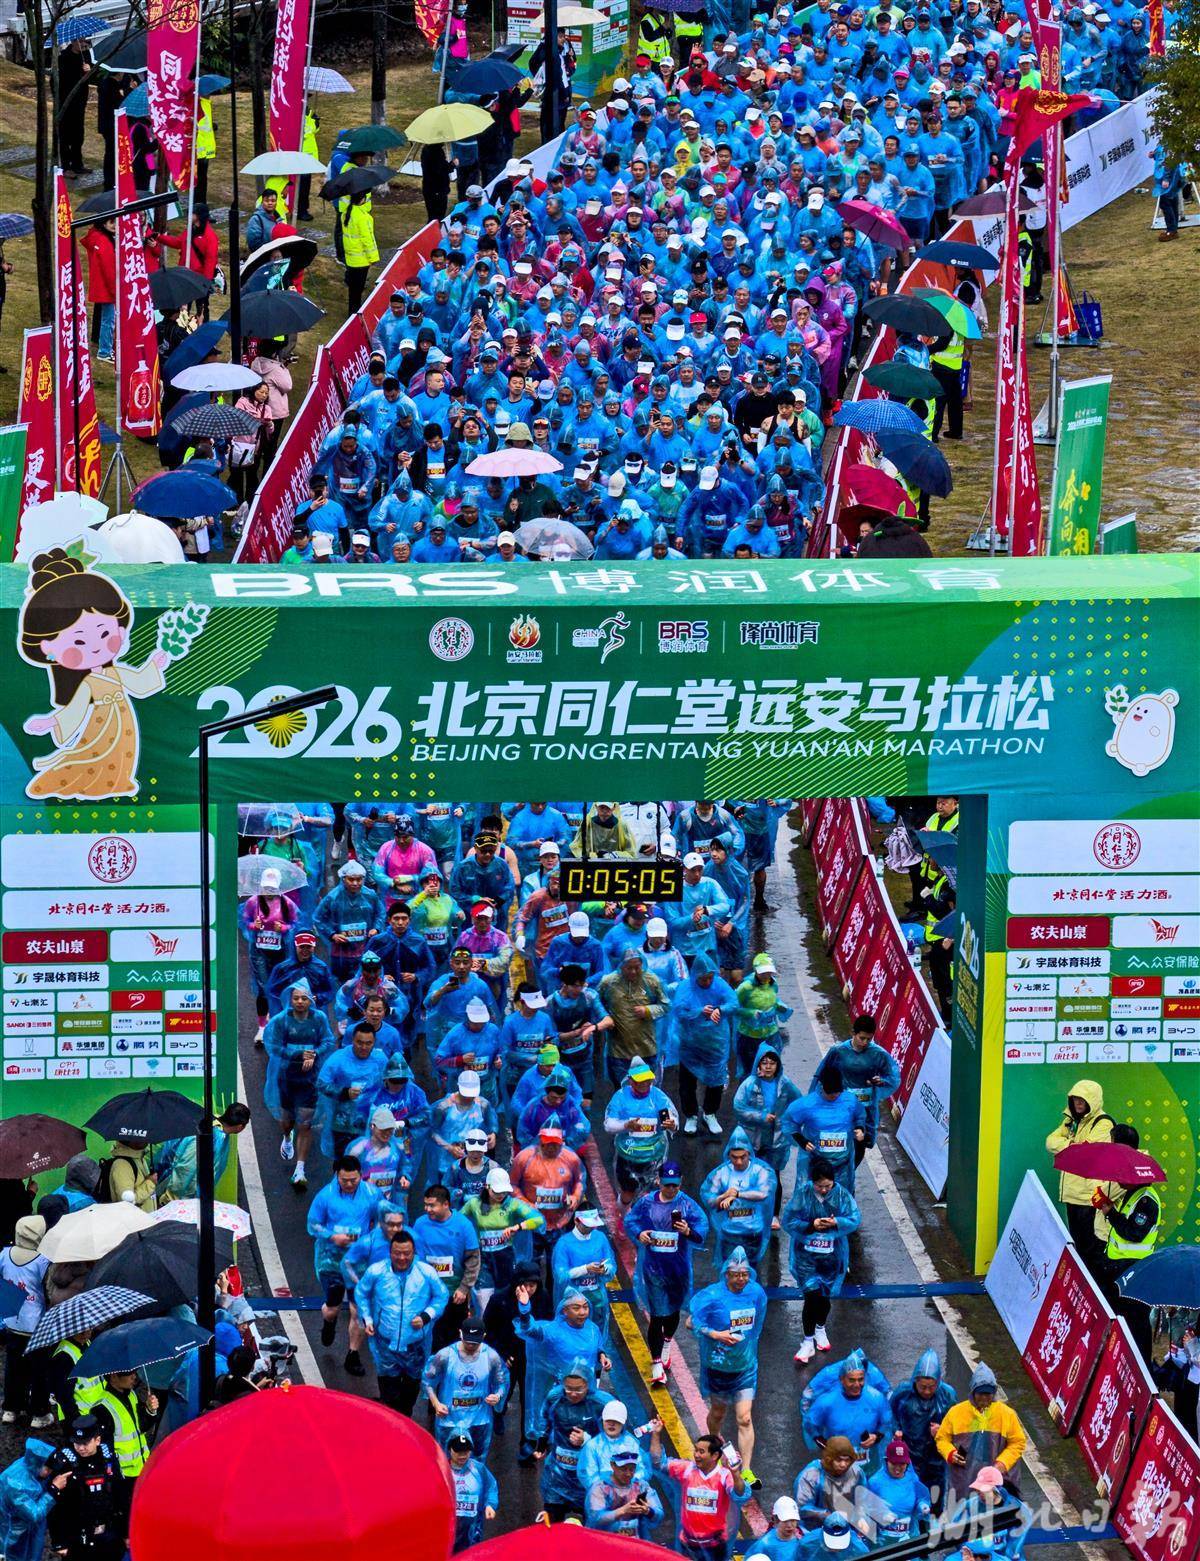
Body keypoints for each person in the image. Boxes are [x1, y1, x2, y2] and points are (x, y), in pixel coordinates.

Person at [625, 1159, 709, 1386]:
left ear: (681, 1182)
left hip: (677, 1269)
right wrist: (640, 1234)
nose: (671, 1189)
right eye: (667, 1184)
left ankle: (667, 1342)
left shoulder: (688, 1205)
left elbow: (701, 1232)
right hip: (653, 1268)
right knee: (656, 1315)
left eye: (675, 1185)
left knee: (672, 1313)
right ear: (658, 1181)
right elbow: (631, 1221)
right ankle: (656, 1364)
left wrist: (688, 1231)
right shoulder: (646, 1203)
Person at [691, 1246, 769, 1485]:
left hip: (745, 1367)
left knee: (744, 1418)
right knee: (718, 1413)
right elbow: (691, 1322)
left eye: (745, 1274)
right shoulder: (712, 1296)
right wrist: (716, 1334)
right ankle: (715, 1442)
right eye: (736, 1275)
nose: (741, 1279)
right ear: (726, 1274)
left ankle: (746, 1469)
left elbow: (757, 1327)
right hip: (718, 1367)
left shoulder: (756, 1293)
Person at [514, 1281, 608, 1461]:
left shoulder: (592, 1329)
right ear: (565, 1311)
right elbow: (529, 1330)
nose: (582, 1312)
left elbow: (598, 1347)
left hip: (587, 1392)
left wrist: (603, 1356)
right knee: (560, 1433)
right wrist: (525, 1309)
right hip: (564, 1393)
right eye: (576, 1308)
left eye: (585, 1307)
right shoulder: (552, 1331)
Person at [784, 1156, 861, 1364]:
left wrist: (836, 1222)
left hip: (831, 1257)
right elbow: (789, 1220)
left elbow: (854, 1218)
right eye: (820, 1186)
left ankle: (820, 1327)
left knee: (825, 1297)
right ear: (812, 1182)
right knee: (811, 1296)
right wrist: (811, 1225)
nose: (824, 1190)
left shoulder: (842, 1195)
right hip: (806, 1257)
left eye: (827, 1186)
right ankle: (807, 1341)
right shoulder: (803, 1194)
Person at [306, 1155, 381, 1363]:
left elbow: (381, 1219)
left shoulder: (372, 1194)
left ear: (361, 1175)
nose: (349, 1184)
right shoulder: (325, 1196)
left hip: (359, 1261)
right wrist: (332, 1236)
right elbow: (312, 1225)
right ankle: (329, 1321)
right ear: (336, 1176)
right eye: (344, 1180)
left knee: (359, 1308)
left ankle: (353, 1354)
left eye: (353, 1180)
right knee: (333, 1307)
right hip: (330, 1259)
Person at [263, 979, 336, 1189]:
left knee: (305, 1124)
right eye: (296, 998)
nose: (300, 1002)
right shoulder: (281, 1020)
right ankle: (287, 1136)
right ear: (290, 999)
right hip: (286, 1076)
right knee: (287, 1120)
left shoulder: (319, 1018)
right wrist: (297, 1055)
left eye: (304, 998)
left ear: (311, 999)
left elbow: (328, 1041)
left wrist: (315, 1053)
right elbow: (272, 1045)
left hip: (310, 1079)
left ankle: (300, 1169)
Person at [650, 1423, 749, 1561]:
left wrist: (735, 1473)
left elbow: (739, 1494)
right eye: (695, 1450)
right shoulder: (686, 1469)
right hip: (688, 1545)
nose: (696, 1455)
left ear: (715, 1455)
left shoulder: (724, 1476)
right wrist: (655, 1434)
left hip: (715, 1547)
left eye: (701, 1452)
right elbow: (658, 1463)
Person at [814, 1016, 901, 1165]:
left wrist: (881, 1081)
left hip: (865, 1107)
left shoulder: (878, 1054)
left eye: (869, 1039)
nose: (865, 1043)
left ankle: (848, 1174)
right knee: (838, 1141)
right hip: (841, 1105)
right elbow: (821, 1075)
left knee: (859, 1145)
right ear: (853, 1033)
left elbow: (893, 1077)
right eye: (862, 1038)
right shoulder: (838, 1051)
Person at [935, 1362, 1027, 1502]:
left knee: (1000, 1510)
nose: (984, 1398)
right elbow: (942, 1438)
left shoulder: (1006, 1414)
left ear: (993, 1393)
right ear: (973, 1392)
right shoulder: (956, 1413)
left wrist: (1001, 1464)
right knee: (964, 1511)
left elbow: (1018, 1442)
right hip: (964, 1479)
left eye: (988, 1394)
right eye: (980, 1394)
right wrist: (950, 1453)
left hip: (998, 1480)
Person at [533, 1361, 612, 1523]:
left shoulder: (601, 1404)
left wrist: (587, 1440)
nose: (573, 1394)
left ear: (588, 1385)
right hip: (558, 1475)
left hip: (587, 1478)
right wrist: (541, 1442)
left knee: (589, 1526)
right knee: (551, 1524)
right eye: (568, 1388)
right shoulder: (555, 1397)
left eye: (578, 1389)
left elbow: (615, 1438)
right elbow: (544, 1419)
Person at [1044, 1080, 1114, 1263]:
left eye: (1083, 1099)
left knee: (1091, 1247)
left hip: (1089, 1197)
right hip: (1072, 1195)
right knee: (1078, 1246)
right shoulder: (1071, 1121)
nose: (1078, 1103)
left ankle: (1094, 1281)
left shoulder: (1103, 1123)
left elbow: (1085, 1153)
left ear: (1094, 1100)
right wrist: (1073, 1145)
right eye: (1075, 1098)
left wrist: (1069, 1147)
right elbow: (1050, 1142)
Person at [422, 1318, 510, 1459]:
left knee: (477, 1460)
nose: (470, 1345)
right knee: (446, 1459)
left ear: (484, 1336)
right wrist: (436, 1403)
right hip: (449, 1418)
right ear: (460, 1334)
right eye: (467, 1341)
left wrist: (498, 1396)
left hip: (479, 1419)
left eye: (475, 1343)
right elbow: (428, 1381)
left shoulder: (491, 1356)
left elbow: (502, 1382)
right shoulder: (445, 1355)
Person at [673, 952, 737, 1135]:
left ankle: (710, 1113)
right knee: (687, 1082)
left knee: (716, 1079)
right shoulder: (685, 987)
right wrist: (699, 1011)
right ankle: (691, 1115)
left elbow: (733, 1002)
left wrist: (720, 1010)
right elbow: (679, 1011)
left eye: (710, 977)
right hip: (690, 1045)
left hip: (715, 1044)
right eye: (703, 979)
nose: (707, 982)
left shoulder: (719, 984)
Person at [603, 1056, 679, 1206]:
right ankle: (624, 1215)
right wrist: (626, 1125)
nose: (644, 1084)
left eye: (647, 1080)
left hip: (653, 1156)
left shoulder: (658, 1097)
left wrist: (672, 1125)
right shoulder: (620, 1098)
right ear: (631, 1081)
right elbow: (609, 1125)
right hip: (628, 1156)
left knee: (654, 1195)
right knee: (627, 1194)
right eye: (640, 1081)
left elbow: (669, 1119)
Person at [803, 1351, 894, 1475]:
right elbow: (810, 1424)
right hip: (836, 1467)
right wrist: (826, 1446)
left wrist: (876, 1437)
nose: (857, 1385)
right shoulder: (826, 1402)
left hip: (868, 1465)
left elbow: (887, 1423)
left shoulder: (876, 1398)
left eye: (860, 1379)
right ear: (842, 1379)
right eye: (852, 1380)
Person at [47, 1414, 122, 1561]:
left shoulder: (108, 1458)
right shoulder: (64, 1462)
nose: (81, 1448)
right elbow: (55, 1507)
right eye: (77, 1443)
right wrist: (59, 1542)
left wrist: (125, 1532)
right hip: (77, 1536)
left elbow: (120, 1493)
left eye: (85, 1443)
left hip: (108, 1533)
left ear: (97, 1440)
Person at [783, 1062, 866, 1194]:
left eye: (837, 1092)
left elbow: (860, 1116)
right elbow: (788, 1122)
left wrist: (860, 1128)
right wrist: (801, 1140)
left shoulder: (850, 1101)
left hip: (842, 1164)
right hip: (815, 1163)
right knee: (810, 1198)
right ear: (821, 1086)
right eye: (829, 1093)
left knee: (841, 1198)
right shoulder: (806, 1104)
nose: (834, 1096)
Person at [0, 1216, 52, 1427]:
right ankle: (39, 1413)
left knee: (13, 1366)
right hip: (35, 1324)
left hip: (12, 1320)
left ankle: (11, 1409)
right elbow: (47, 1289)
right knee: (39, 1370)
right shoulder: (42, 1260)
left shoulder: (4, 1254)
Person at [701, 1128, 777, 1265]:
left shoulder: (760, 1170)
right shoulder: (721, 1172)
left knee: (749, 1270)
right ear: (728, 1155)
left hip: (753, 1232)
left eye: (743, 1157)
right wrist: (723, 1196)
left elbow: (764, 1193)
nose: (739, 1162)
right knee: (729, 1270)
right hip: (729, 1232)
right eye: (734, 1157)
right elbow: (708, 1198)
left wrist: (737, 1194)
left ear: (749, 1153)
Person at [891, 1348, 957, 1504]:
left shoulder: (948, 1394)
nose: (927, 1391)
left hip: (936, 1456)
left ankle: (934, 1516)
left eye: (931, 1387)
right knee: (909, 1494)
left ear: (938, 1382)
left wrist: (942, 1431)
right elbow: (891, 1414)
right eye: (922, 1387)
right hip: (910, 1453)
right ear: (915, 1381)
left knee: (935, 1496)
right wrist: (896, 1430)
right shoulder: (903, 1392)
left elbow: (956, 1423)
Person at [155, 1102, 250, 1202]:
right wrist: (170, 1199)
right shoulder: (209, 1135)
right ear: (240, 1127)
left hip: (191, 1194)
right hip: (180, 1196)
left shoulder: (216, 1128)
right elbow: (186, 1169)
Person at [91, 1371, 154, 1521]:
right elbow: (105, 1450)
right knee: (127, 1517)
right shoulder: (102, 1408)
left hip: (142, 1467)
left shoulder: (131, 1395)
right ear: (113, 1377)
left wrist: (150, 1411)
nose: (134, 1376)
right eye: (129, 1374)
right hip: (123, 1477)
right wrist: (115, 1476)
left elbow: (141, 1427)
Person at [0, 1437, 65, 1561]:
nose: (50, 1472)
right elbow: (34, 1514)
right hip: (13, 1537)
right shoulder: (15, 1484)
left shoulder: (32, 1466)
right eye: (48, 1469)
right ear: (38, 1464)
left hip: (31, 1530)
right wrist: (53, 1490)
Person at [584, 1446, 664, 1538]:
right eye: (623, 1469)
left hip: (635, 1540)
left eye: (631, 1469)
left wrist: (648, 1510)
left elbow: (659, 1514)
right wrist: (623, 1510)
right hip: (606, 1540)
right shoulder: (600, 1487)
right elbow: (595, 1519)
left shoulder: (641, 1486)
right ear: (613, 1465)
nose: (628, 1474)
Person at [447, 1431, 499, 1552]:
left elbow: (491, 1486)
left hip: (472, 1531)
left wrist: (490, 1505)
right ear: (450, 1449)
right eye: (458, 1451)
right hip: (447, 1529)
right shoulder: (442, 1469)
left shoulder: (478, 1469)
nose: (462, 1456)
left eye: (466, 1451)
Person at [340, 191, 378, 316]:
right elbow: (367, 239)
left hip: (350, 258)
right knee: (358, 289)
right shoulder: (363, 217)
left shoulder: (346, 214)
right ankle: (355, 314)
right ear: (362, 200)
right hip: (361, 260)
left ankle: (351, 312)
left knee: (353, 289)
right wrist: (373, 258)